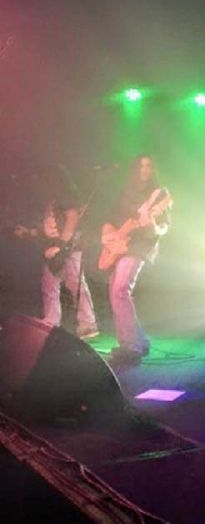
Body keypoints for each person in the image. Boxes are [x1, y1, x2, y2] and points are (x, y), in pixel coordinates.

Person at [102, 155, 171, 368]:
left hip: (140, 246)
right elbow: (111, 217)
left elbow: (164, 226)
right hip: (121, 244)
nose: (144, 169)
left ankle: (131, 346)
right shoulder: (126, 191)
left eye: (148, 166)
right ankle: (140, 341)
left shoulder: (160, 194)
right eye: (141, 166)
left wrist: (152, 225)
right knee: (114, 290)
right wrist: (109, 235)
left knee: (120, 290)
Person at [18, 185, 99, 340]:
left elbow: (72, 219)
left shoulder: (65, 194)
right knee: (49, 284)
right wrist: (29, 233)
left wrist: (62, 245)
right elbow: (45, 226)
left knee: (75, 282)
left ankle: (88, 323)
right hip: (55, 245)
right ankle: (51, 323)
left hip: (69, 247)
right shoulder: (49, 202)